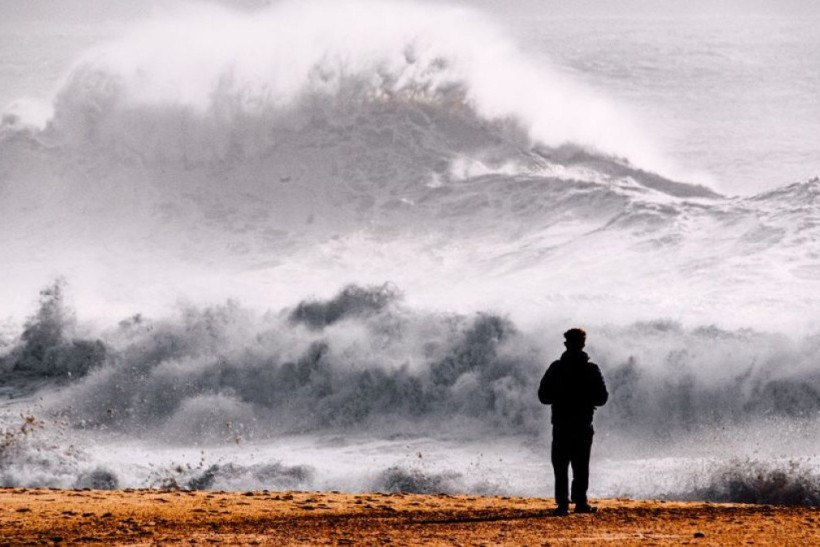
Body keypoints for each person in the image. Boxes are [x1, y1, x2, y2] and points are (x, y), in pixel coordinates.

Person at [538, 328, 608, 516]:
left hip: (561, 424)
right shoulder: (591, 369)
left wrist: (561, 396)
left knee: (561, 465)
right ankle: (580, 502)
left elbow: (543, 396)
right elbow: (602, 398)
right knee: (580, 465)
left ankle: (562, 504)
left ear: (566, 344)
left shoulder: (556, 368)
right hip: (583, 424)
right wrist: (585, 398)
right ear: (583, 344)